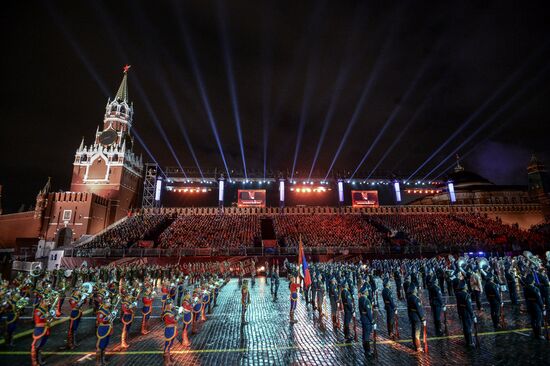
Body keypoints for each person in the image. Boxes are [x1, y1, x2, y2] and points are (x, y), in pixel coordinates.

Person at [523, 273, 545, 339]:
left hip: (530, 305)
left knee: (533, 320)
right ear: (532, 281)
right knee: (538, 320)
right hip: (536, 306)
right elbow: (539, 299)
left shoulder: (525, 288)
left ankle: (535, 333)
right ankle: (539, 334)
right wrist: (543, 307)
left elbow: (526, 298)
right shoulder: (535, 289)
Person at [31, 295, 52, 366]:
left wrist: (49, 318)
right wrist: (46, 318)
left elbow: (47, 319)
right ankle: (35, 362)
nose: (48, 302)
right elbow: (37, 322)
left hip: (45, 329)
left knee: (40, 347)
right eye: (46, 301)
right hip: (40, 330)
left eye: (48, 301)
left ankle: (39, 361)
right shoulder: (38, 311)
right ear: (42, 302)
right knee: (37, 346)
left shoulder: (46, 309)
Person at [455, 279, 476, 347]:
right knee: (469, 328)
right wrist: (473, 315)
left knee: (465, 327)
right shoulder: (466, 295)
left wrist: (459, 313)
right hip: (467, 313)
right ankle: (470, 342)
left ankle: (467, 340)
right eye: (466, 285)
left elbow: (458, 305)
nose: (467, 286)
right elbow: (469, 307)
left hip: (462, 312)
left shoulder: (458, 294)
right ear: (464, 287)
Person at [406, 283, 425, 352]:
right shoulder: (416, 299)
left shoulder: (409, 297)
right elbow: (419, 310)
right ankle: (418, 347)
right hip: (417, 318)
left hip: (412, 316)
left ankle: (415, 344)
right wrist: (423, 318)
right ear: (414, 290)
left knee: (413, 331)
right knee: (417, 333)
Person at [96, 296, 115, 366]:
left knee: (104, 346)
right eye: (108, 302)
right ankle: (98, 362)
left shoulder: (107, 310)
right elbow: (101, 320)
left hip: (108, 328)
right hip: (103, 329)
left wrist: (113, 315)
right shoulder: (101, 311)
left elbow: (110, 320)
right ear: (104, 303)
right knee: (100, 346)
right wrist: (109, 316)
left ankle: (103, 360)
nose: (110, 303)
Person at [358, 284, 375, 357]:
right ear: (365, 292)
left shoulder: (360, 299)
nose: (368, 292)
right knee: (367, 336)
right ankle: (367, 352)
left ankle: (366, 350)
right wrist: (372, 321)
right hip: (367, 320)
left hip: (363, 319)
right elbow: (368, 312)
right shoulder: (366, 300)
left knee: (364, 335)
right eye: (367, 291)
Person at [162, 299, 177, 365]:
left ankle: (168, 356)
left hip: (172, 329)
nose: (173, 305)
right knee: (167, 344)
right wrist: (177, 316)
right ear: (168, 305)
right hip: (169, 329)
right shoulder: (167, 313)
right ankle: (166, 361)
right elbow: (173, 320)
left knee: (170, 344)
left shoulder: (170, 312)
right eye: (171, 304)